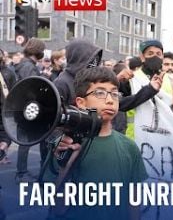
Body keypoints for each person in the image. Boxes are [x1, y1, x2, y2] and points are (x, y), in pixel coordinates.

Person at [50, 67, 148, 220]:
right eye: (100, 93)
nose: (110, 100)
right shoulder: (64, 145)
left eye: (115, 94)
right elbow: (58, 208)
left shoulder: (129, 147)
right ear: (81, 102)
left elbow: (133, 202)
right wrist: (66, 165)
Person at [14, 38, 46, 183]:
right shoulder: (28, 67)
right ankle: (21, 173)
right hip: (26, 108)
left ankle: (22, 172)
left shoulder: (26, 65)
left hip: (23, 107)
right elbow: (30, 88)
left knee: (25, 141)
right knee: (25, 142)